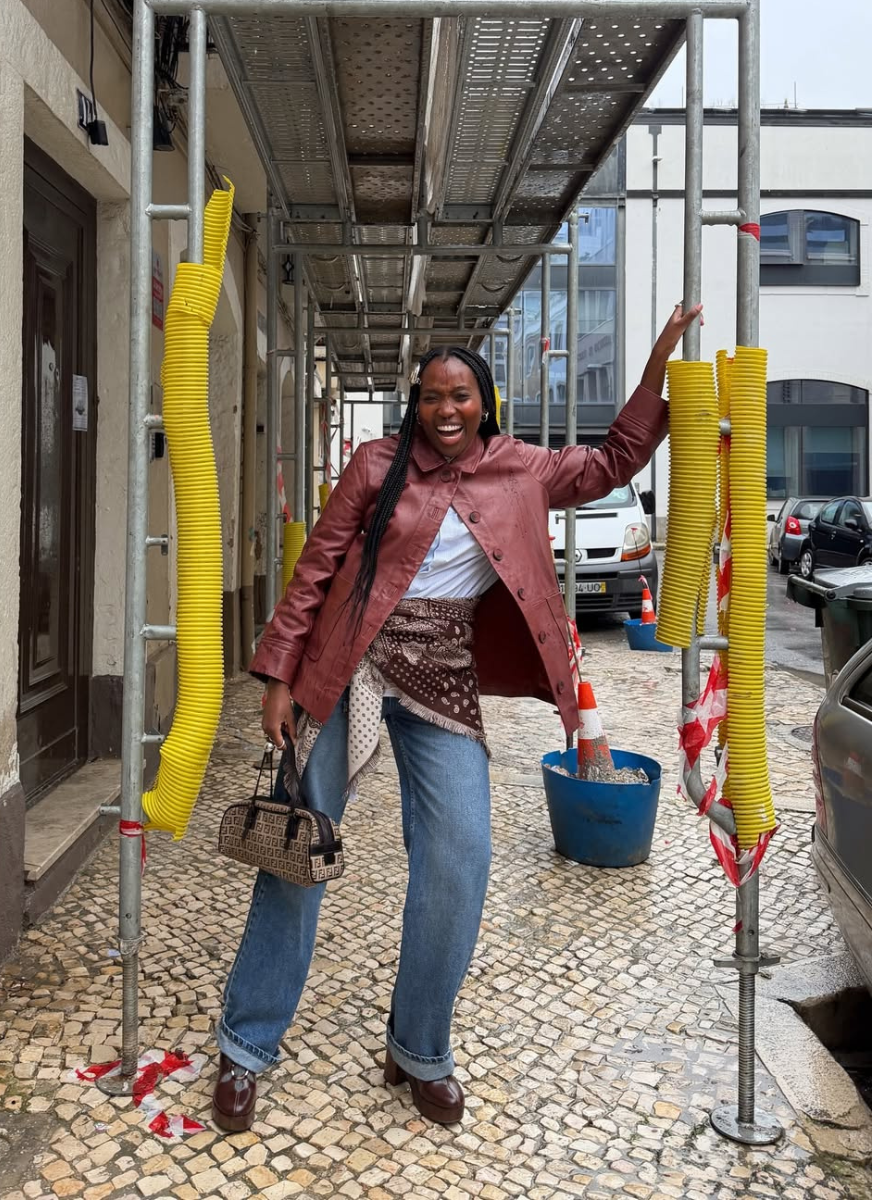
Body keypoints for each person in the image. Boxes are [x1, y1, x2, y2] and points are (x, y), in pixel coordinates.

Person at [211, 304, 703, 1133]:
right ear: (417, 404)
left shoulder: (521, 468)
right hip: (350, 666)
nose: (446, 409)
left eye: (461, 396)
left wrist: (658, 361)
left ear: (485, 404)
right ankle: (246, 1045)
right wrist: (278, 676)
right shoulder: (375, 465)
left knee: (460, 859)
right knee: (299, 847)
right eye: (432, 396)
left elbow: (614, 461)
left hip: (443, 680)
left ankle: (417, 1048)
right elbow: (316, 569)